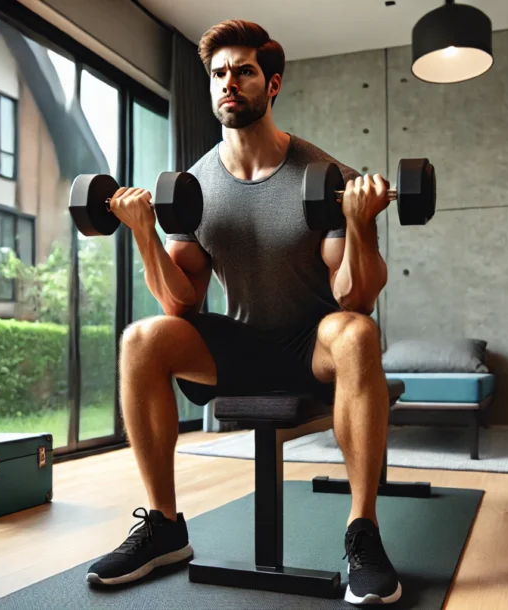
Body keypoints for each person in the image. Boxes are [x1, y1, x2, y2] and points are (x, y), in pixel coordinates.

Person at [85, 19, 400, 605]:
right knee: (141, 339)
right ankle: (164, 527)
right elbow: (182, 303)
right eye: (218, 73)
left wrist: (359, 223)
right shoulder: (196, 185)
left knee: (357, 333)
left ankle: (363, 531)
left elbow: (355, 297)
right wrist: (144, 235)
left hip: (315, 345)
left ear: (272, 84)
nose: (230, 82)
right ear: (209, 87)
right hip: (243, 344)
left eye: (244, 71)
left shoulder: (323, 175)